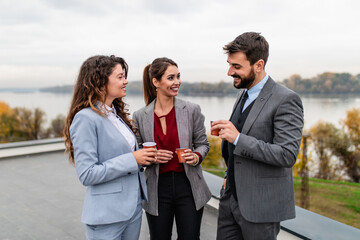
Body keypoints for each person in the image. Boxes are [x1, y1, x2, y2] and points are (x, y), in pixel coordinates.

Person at [212, 32, 304, 240]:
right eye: (229, 64)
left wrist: (237, 138)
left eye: (236, 67)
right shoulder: (242, 93)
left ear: (259, 65)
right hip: (230, 200)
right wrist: (229, 176)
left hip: (261, 207)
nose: (229, 72)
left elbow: (287, 155)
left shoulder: (286, 99)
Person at [63, 55, 157, 240]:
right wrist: (133, 159)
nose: (126, 81)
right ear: (100, 81)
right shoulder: (85, 118)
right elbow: (87, 174)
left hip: (132, 209)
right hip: (106, 216)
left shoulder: (115, 115)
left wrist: (144, 159)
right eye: (120, 77)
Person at [132, 57, 211, 240]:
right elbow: (137, 153)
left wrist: (197, 156)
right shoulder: (140, 116)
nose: (177, 82)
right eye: (171, 78)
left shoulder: (192, 110)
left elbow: (202, 144)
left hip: (189, 186)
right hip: (157, 188)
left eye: (178, 76)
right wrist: (151, 156)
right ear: (155, 82)